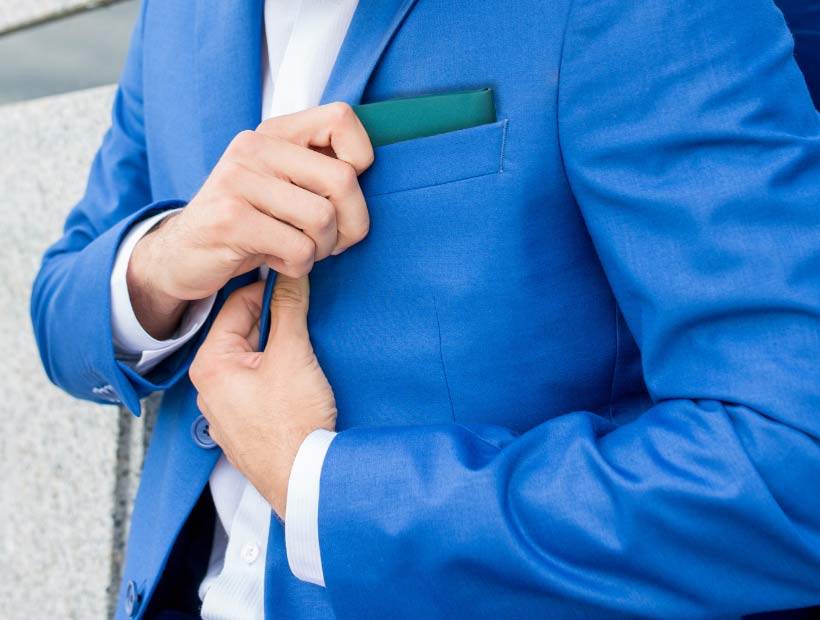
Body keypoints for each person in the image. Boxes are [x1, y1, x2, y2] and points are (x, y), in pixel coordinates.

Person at [31, 1, 820, 618]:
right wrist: (165, 261)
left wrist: (322, 487)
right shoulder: (174, 13)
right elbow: (60, 309)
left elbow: (790, 462)